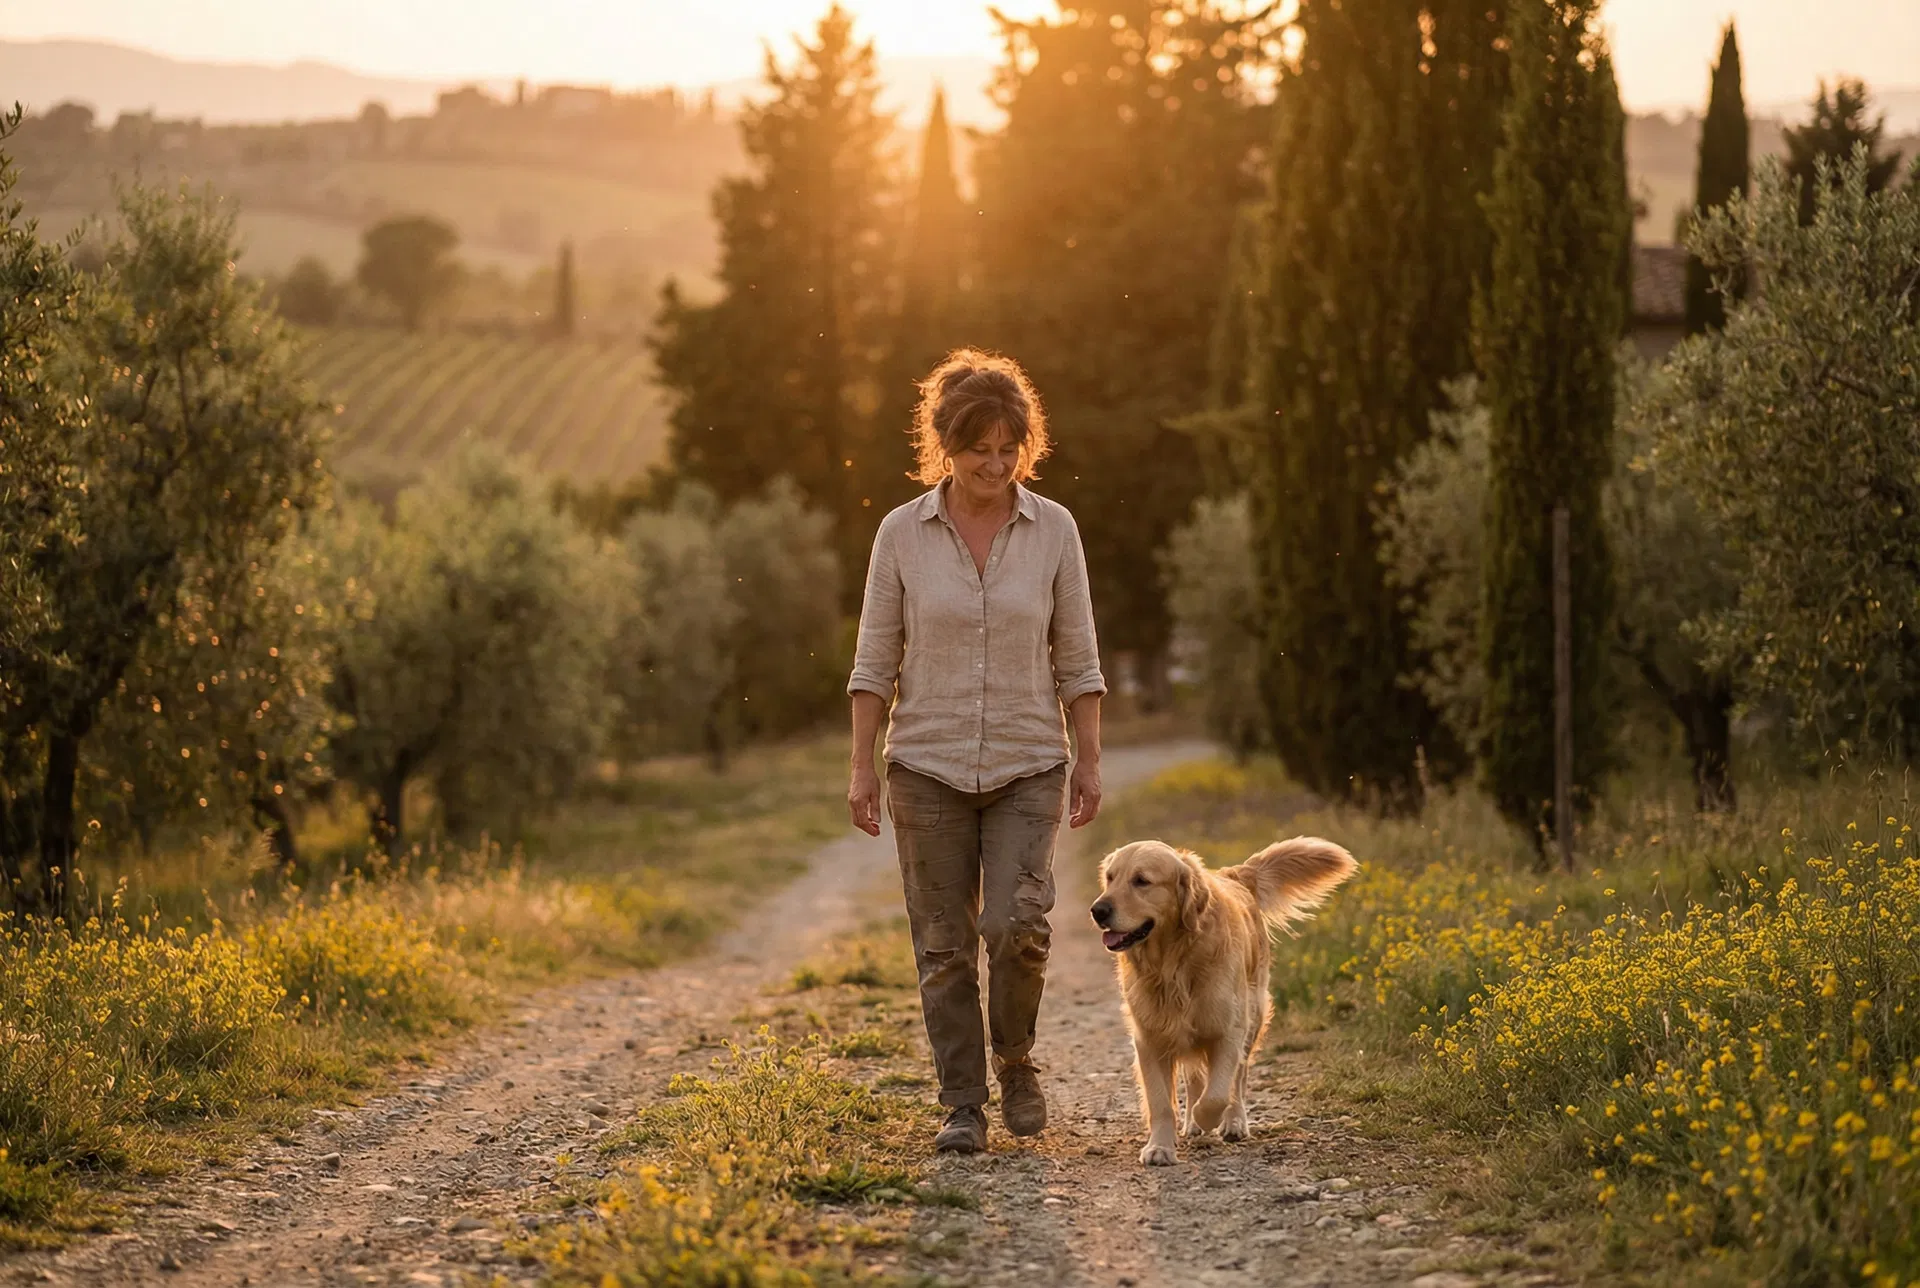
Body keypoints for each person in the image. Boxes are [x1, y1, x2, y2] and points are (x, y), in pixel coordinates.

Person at [847, 348, 1106, 1155]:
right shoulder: (901, 534)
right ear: (945, 447)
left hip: (1031, 761)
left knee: (1017, 925)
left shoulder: (1055, 530)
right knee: (943, 947)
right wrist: (862, 767)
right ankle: (962, 1103)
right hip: (926, 767)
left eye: (1008, 448)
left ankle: (1016, 1060)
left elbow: (1080, 658)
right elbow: (872, 661)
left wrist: (1089, 758)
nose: (995, 464)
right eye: (978, 449)